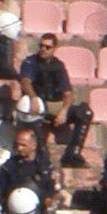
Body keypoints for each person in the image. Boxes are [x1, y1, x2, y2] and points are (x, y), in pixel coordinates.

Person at [10, 33, 93, 168]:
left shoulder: (58, 66)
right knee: (27, 107)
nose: (43, 49)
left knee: (85, 113)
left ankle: (73, 154)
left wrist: (64, 111)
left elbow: (67, 93)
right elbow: (25, 82)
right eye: (41, 46)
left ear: (54, 49)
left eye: (47, 47)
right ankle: (42, 156)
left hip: (55, 104)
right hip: (39, 102)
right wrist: (33, 97)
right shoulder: (31, 62)